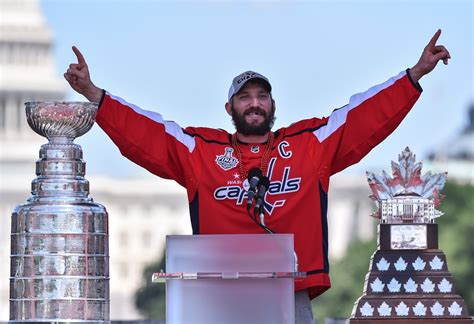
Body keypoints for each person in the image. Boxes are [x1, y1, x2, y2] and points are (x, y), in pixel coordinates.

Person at [64, 29, 450, 323]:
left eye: (261, 96)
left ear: (273, 105)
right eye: (245, 97)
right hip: (221, 295)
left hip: (289, 291)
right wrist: (96, 96)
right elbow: (149, 132)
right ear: (229, 107)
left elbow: (360, 117)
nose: (254, 103)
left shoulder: (308, 145)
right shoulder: (203, 152)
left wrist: (414, 75)